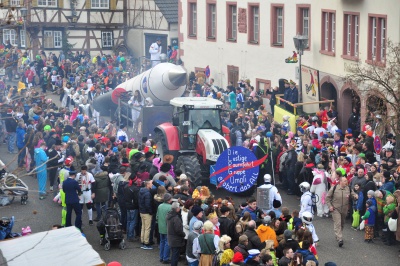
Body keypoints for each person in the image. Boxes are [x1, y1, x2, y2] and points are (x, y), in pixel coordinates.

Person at [326, 176, 350, 247]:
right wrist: (330, 206)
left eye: (346, 181)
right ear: (341, 182)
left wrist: (355, 196)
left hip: (344, 209)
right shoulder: (334, 188)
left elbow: (352, 194)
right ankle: (340, 239)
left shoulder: (348, 188)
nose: (346, 182)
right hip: (335, 209)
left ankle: (338, 235)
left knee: (342, 223)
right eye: (345, 181)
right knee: (338, 223)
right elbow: (327, 198)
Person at [167, 202, 186, 266]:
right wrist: (183, 234)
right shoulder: (176, 218)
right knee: (175, 256)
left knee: (173, 254)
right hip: (176, 239)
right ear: (177, 209)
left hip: (171, 238)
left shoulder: (169, 216)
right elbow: (178, 230)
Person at [157, 193, 173, 264]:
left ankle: (161, 257)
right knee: (167, 243)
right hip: (167, 228)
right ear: (169, 200)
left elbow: (157, 217)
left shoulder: (160, 206)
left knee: (162, 242)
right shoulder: (170, 207)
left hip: (160, 227)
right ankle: (165, 258)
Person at [139, 180, 154, 249]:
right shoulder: (148, 193)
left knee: (143, 227)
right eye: (151, 184)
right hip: (146, 213)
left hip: (142, 211)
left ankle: (142, 241)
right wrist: (151, 212)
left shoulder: (141, 191)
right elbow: (147, 204)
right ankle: (146, 243)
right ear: (147, 185)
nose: (152, 185)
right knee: (147, 228)